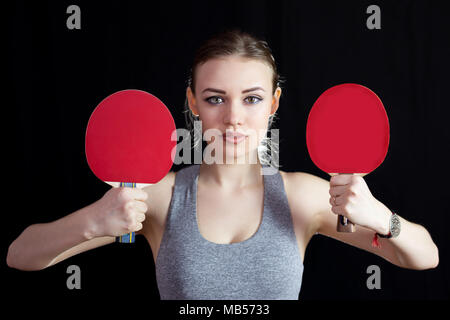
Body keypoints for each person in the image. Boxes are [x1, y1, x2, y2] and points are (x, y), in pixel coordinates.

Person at [7, 29, 439, 300]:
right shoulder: (157, 195)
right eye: (216, 98)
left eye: (251, 99)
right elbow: (20, 255)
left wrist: (381, 217)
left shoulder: (304, 196)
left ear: (273, 104)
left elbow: (425, 258)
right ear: (193, 103)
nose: (233, 117)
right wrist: (96, 220)